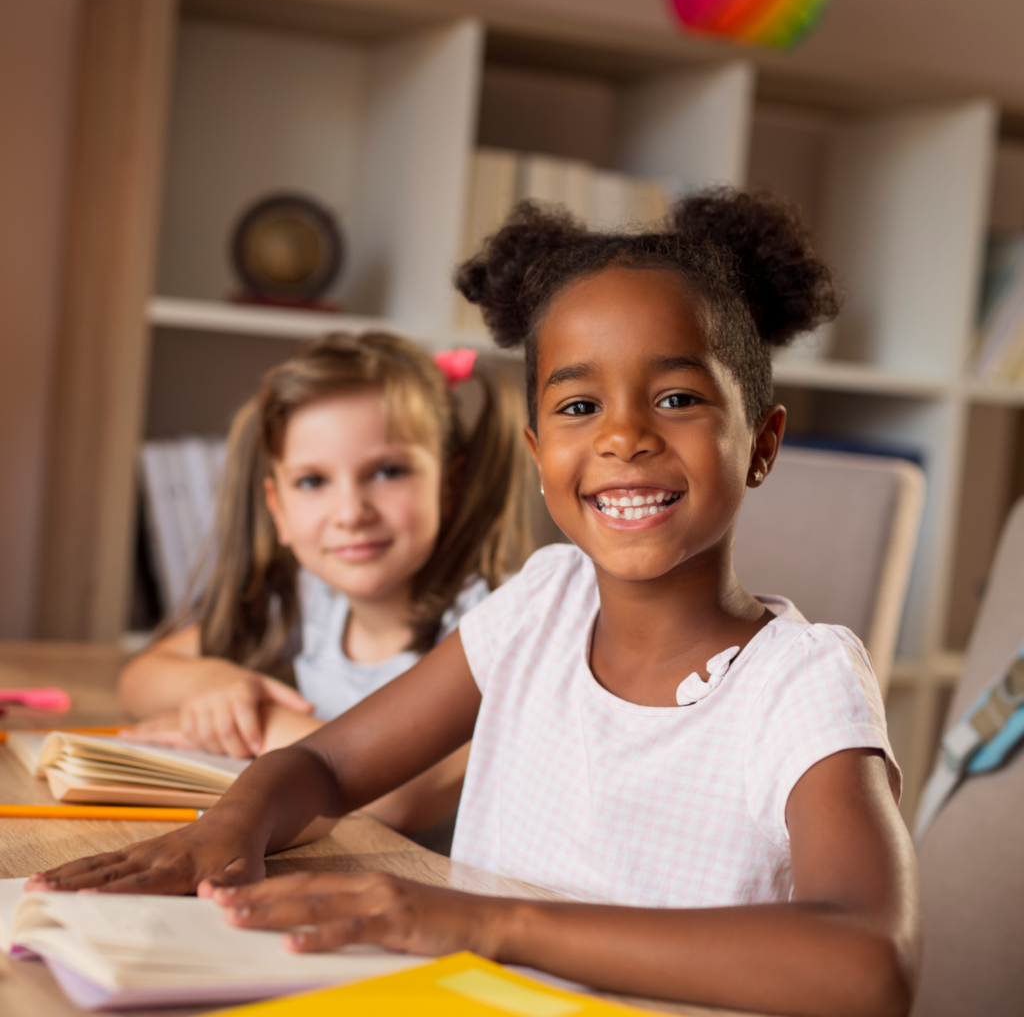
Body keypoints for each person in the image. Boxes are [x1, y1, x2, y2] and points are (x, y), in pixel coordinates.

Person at [31, 191, 920, 1017]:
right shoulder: (541, 606)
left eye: (677, 397)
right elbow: (330, 768)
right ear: (539, 454)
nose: (621, 436)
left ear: (761, 443)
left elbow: (870, 960)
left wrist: (486, 923)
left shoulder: (802, 682)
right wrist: (225, 828)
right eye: (579, 405)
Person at [118, 331, 530, 836]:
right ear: (279, 511)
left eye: (387, 471)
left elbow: (400, 796)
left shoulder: (500, 621)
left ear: (449, 484)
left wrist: (250, 724)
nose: (351, 512)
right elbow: (139, 678)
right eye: (313, 482)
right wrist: (213, 687)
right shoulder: (312, 601)